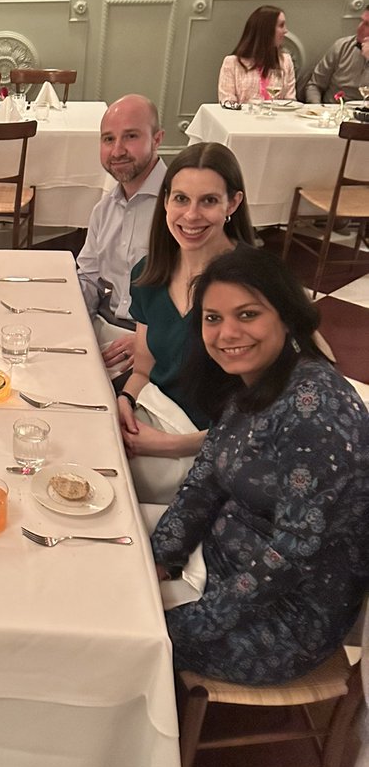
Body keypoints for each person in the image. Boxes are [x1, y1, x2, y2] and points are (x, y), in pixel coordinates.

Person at [151, 248, 369, 684]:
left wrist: (194, 620)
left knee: (120, 636)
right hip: (221, 562)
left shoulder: (314, 409)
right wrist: (159, 557)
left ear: (286, 317)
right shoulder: (254, 382)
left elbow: (294, 552)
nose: (227, 332)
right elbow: (206, 479)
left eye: (247, 315)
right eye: (212, 318)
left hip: (286, 618)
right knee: (103, 561)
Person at [118, 142, 256, 504]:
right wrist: (124, 399)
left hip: (220, 445)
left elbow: (264, 413)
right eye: (181, 199)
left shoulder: (255, 284)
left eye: (208, 201)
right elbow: (144, 371)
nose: (191, 215)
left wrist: (174, 446)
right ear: (165, 201)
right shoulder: (149, 274)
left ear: (233, 204)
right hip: (157, 417)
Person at [75, 94, 166, 381]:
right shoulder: (104, 209)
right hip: (108, 329)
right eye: (108, 139)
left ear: (157, 139)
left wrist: (152, 342)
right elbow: (88, 278)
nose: (117, 150)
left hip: (160, 344)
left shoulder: (181, 206)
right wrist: (72, 324)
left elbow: (198, 297)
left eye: (131, 136)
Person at [217, 5, 295, 104]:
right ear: (266, 30)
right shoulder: (232, 63)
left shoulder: (285, 61)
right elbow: (227, 102)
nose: (285, 31)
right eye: (281, 25)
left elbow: (290, 102)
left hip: (278, 118)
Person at [304, 6, 369, 104]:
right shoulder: (342, 46)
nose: (359, 28)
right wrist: (317, 109)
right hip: (333, 111)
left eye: (367, 25)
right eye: (361, 21)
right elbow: (314, 86)